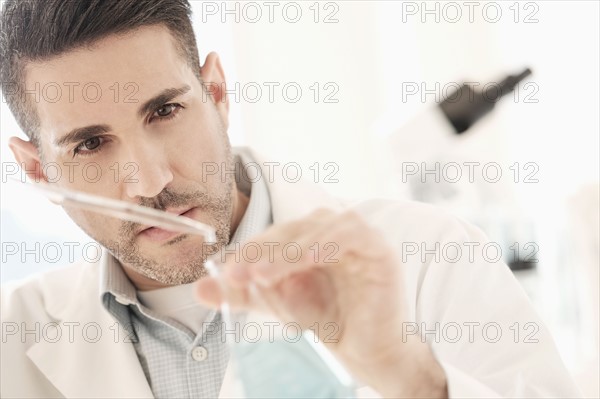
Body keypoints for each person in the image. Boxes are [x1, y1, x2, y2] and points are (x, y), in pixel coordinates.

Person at [0, 1, 582, 398]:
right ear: (38, 171)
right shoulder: (13, 337)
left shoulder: (430, 255)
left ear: (218, 94)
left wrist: (414, 380)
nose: (149, 181)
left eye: (165, 111)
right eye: (91, 144)